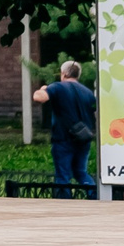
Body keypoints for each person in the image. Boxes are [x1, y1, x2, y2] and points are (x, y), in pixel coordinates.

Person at [35, 61, 98, 197]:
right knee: (81, 172)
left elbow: (39, 98)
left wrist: (43, 89)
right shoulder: (87, 93)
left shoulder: (58, 87)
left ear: (63, 73)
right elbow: (96, 114)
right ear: (78, 75)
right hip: (84, 139)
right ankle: (95, 196)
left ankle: (64, 204)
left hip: (63, 140)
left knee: (63, 176)